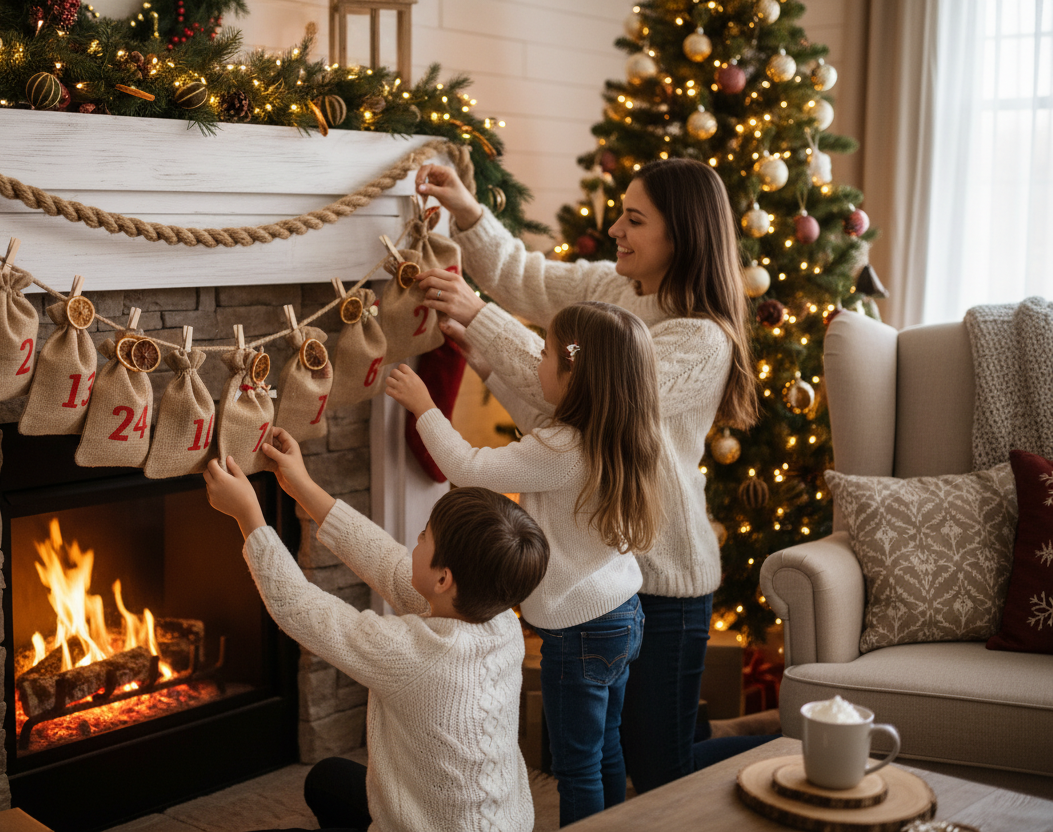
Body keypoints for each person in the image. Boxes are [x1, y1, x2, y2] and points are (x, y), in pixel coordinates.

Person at [410, 157, 760, 794]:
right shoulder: (616, 291)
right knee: (612, 752)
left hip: (667, 580)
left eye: (634, 219)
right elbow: (531, 281)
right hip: (609, 572)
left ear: (679, 237)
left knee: (661, 773)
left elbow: (591, 393)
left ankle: (773, 742)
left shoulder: (700, 342)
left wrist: (483, 321)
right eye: (620, 213)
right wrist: (468, 214)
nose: (617, 229)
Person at [386, 300, 663, 826]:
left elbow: (466, 466)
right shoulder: (618, 432)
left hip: (576, 635)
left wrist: (425, 407)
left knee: (575, 766)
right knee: (606, 749)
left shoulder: (560, 450)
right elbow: (540, 409)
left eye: (546, 354)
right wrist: (481, 362)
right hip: (623, 616)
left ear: (573, 374)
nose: (537, 363)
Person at [203, 429, 550, 832]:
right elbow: (386, 561)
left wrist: (249, 515)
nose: (414, 542)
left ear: (444, 580)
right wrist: (302, 486)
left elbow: (300, 607)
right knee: (328, 779)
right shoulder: (501, 620)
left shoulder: (414, 655)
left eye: (424, 537)